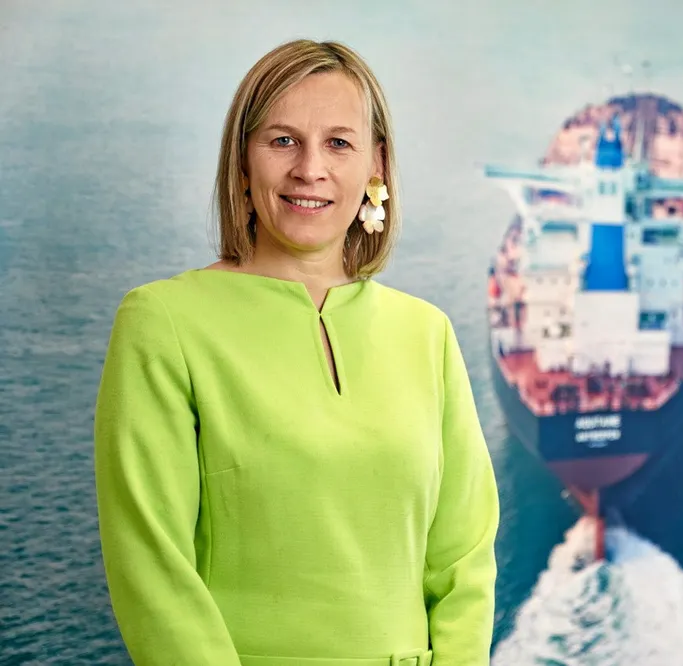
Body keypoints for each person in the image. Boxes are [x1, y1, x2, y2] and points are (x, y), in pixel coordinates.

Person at [93, 39, 500, 666]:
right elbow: (151, 564)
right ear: (242, 161)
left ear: (376, 164)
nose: (310, 168)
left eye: (338, 143)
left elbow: (464, 559)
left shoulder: (427, 333)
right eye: (282, 140)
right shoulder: (163, 322)